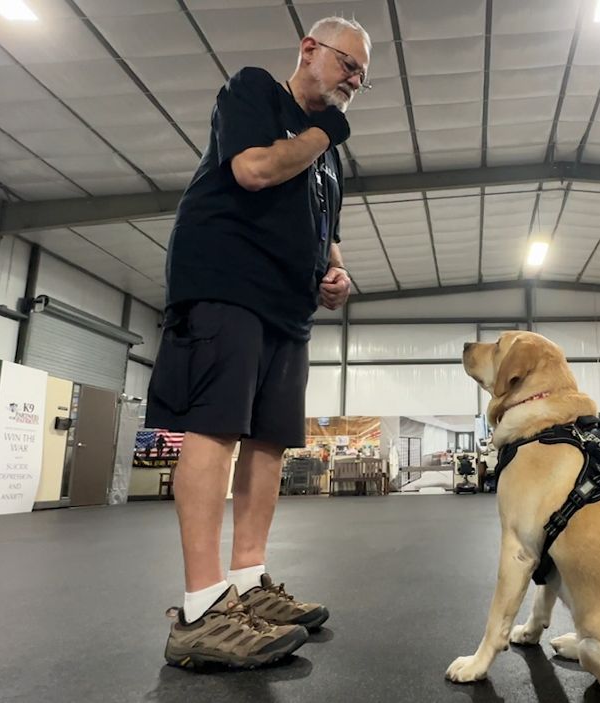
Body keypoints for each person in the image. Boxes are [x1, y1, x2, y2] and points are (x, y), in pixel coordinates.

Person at [144, 16, 370, 670]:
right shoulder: (253, 93)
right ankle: (201, 609)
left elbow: (329, 239)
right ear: (309, 49)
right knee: (216, 427)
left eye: (362, 74)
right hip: (223, 281)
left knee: (270, 439)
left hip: (287, 307)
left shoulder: (330, 162)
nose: (355, 80)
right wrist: (325, 130)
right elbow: (253, 170)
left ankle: (248, 585)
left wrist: (337, 276)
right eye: (347, 64)